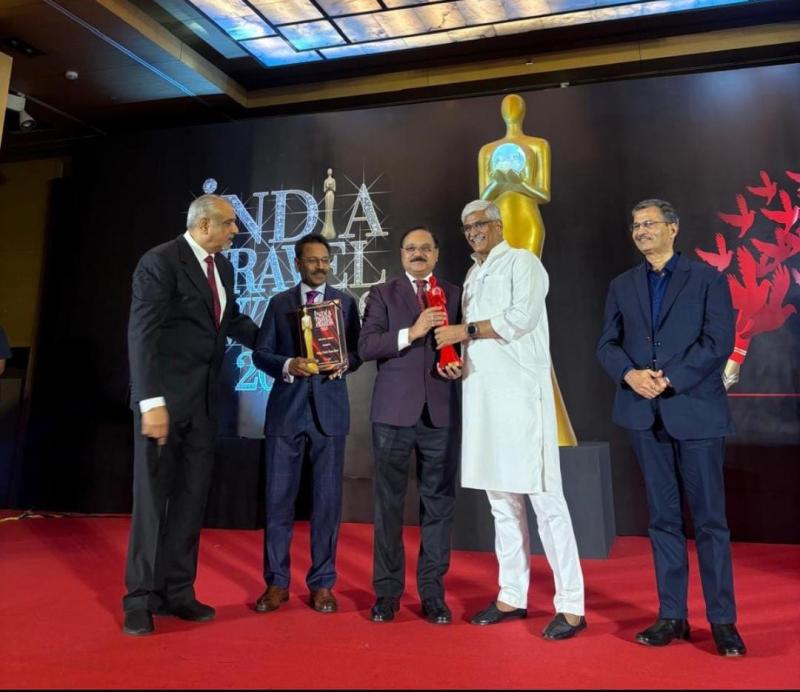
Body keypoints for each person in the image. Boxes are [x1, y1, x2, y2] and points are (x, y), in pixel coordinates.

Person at [596, 198, 746, 656]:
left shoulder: (707, 279)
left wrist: (670, 379)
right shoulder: (621, 285)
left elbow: (718, 341)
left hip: (696, 413)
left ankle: (722, 622)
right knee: (662, 519)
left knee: (710, 522)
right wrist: (629, 374)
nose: (641, 231)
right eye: (635, 225)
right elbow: (607, 345)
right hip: (643, 415)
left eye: (649, 223)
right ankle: (672, 615)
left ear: (673, 228)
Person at [435, 200, 586, 640]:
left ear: (499, 225)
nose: (474, 232)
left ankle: (571, 605)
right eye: (467, 227)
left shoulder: (523, 262)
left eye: (481, 223)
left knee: (546, 500)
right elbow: (473, 338)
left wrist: (463, 331)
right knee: (501, 501)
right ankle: (511, 595)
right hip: (482, 397)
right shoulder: (472, 274)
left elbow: (521, 320)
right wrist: (457, 359)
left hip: (522, 397)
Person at [124, 194, 258, 636]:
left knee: (189, 500)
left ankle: (176, 592)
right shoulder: (160, 262)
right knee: (152, 504)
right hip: (162, 407)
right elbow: (142, 335)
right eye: (229, 223)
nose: (235, 231)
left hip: (204, 406)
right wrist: (150, 403)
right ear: (203, 225)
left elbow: (231, 322)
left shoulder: (223, 269)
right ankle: (139, 600)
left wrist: (284, 341)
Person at [252, 233, 361, 615]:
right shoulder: (279, 303)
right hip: (286, 413)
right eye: (312, 260)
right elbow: (261, 353)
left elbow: (357, 353)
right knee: (277, 502)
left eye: (324, 260)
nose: (319, 266)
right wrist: (288, 364)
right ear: (297, 263)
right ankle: (276, 583)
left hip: (330, 415)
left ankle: (323, 584)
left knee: (327, 505)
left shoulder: (345, 303)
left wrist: (345, 362)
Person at [358, 226, 460, 625]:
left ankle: (433, 594)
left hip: (440, 413)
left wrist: (461, 365)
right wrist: (412, 332)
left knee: (439, 505)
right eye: (411, 248)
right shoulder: (382, 294)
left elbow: (465, 344)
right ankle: (386, 594)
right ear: (401, 255)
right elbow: (367, 346)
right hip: (392, 415)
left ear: (436, 253)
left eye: (425, 248)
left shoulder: (455, 293)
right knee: (388, 506)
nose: (418, 254)